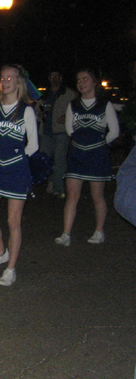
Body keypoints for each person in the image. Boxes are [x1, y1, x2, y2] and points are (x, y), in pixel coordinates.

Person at [0, 65, 38, 287]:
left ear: (18, 82)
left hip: (17, 171)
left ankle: (11, 267)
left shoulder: (26, 110)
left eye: (10, 78)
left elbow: (32, 145)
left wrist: (18, 161)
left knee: (13, 221)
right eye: (2, 78)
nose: (5, 82)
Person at [54, 68, 119, 246]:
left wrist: (100, 143)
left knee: (97, 196)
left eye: (85, 79)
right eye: (78, 80)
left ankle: (99, 231)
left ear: (94, 82)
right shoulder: (73, 105)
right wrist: (80, 143)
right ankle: (66, 234)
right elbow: (69, 129)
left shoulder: (104, 105)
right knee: (72, 195)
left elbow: (114, 131)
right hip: (77, 155)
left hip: (97, 155)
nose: (81, 83)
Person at [38, 70, 76, 198]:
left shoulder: (69, 94)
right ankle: (52, 180)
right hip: (46, 132)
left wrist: (67, 116)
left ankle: (58, 188)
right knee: (44, 160)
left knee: (60, 160)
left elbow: (77, 110)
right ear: (49, 78)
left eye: (57, 76)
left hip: (61, 132)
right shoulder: (44, 94)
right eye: (52, 76)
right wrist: (40, 114)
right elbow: (36, 111)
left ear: (61, 78)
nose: (55, 78)